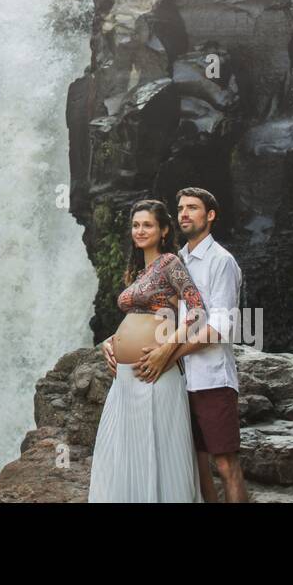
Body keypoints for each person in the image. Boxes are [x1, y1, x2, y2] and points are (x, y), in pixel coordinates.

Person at [88, 200, 207, 503]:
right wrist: (110, 341)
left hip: (155, 374)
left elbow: (197, 311)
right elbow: (139, 319)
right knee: (122, 452)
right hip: (125, 380)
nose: (140, 231)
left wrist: (166, 349)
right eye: (136, 225)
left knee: (158, 454)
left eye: (148, 225)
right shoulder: (138, 272)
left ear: (164, 229)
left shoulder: (170, 264)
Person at [162, 187, 248, 503]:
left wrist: (170, 354)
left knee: (225, 464)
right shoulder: (176, 262)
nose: (184, 213)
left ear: (209, 216)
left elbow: (221, 327)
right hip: (180, 383)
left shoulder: (221, 261)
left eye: (193, 208)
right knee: (196, 466)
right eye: (181, 207)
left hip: (212, 379)